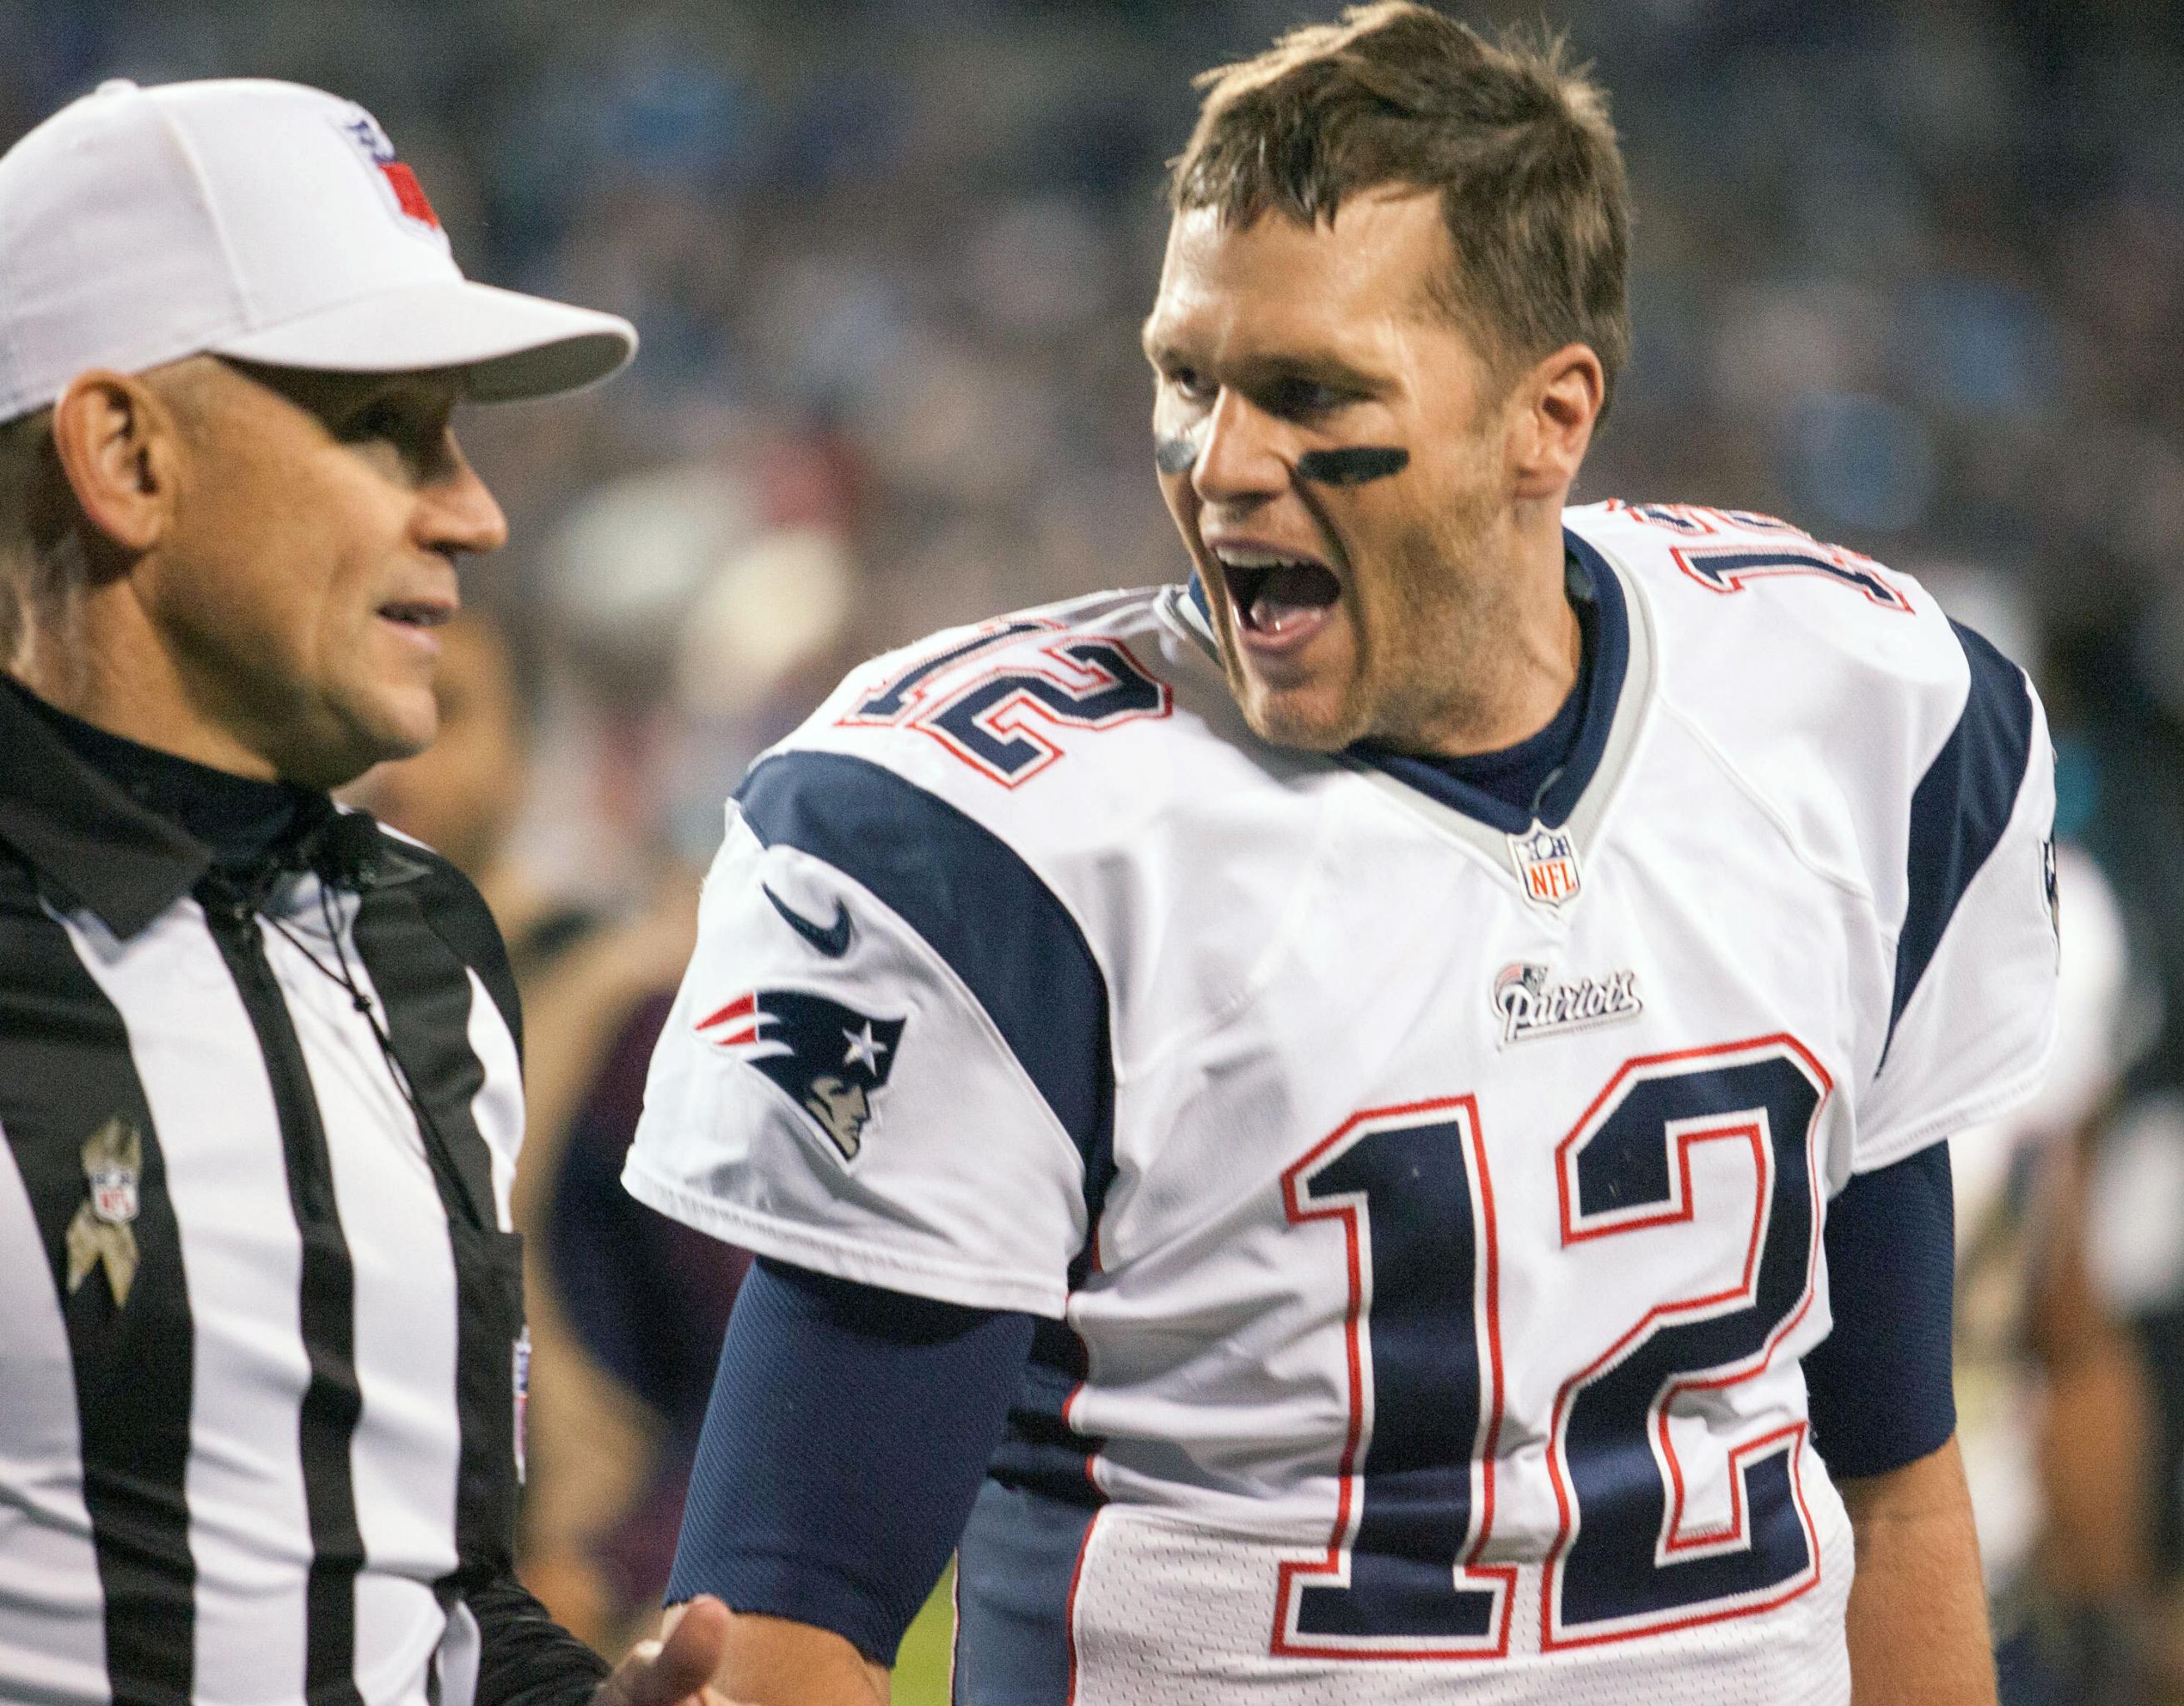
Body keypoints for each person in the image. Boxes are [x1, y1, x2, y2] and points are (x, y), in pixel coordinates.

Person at [627, 7, 2057, 1703]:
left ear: (1551, 418)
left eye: (1309, 394)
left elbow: (1889, 1484)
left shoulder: (1854, 716)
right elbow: (789, 1612)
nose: (1220, 465)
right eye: (1186, 377)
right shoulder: (992, 842)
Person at [0, 77, 731, 1705]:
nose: (471, 509)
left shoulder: (416, 937)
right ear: (125, 453)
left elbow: (432, 1590)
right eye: (385, 427)